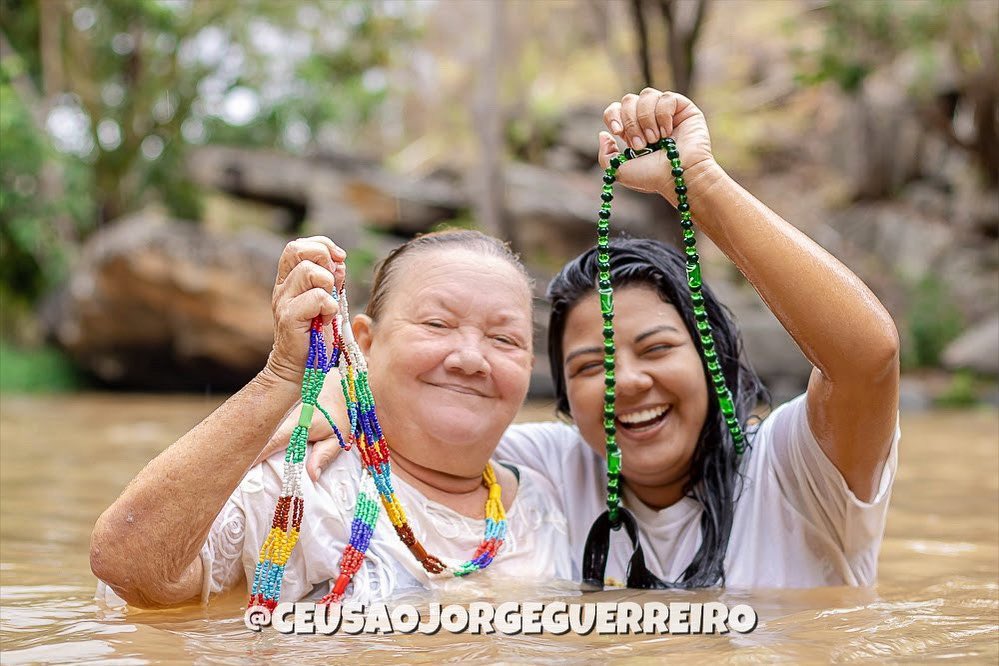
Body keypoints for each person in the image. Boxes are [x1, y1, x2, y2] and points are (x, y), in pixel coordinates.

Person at [290, 89, 901, 589]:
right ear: (563, 396)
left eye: (657, 349)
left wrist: (698, 182)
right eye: (589, 366)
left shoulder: (795, 469)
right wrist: (342, 399)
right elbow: (431, 409)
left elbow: (868, 359)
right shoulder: (560, 468)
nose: (625, 382)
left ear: (712, 354)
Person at [91, 231, 573, 608]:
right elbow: (130, 568)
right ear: (365, 341)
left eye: (505, 339)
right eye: (437, 324)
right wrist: (282, 376)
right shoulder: (301, 481)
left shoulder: (557, 495)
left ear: (530, 366)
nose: (470, 358)